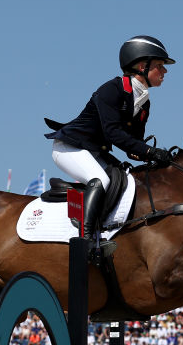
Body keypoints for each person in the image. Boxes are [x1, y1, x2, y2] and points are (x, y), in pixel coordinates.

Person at [45, 35, 176, 251]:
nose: (165, 72)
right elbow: (114, 134)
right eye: (160, 66)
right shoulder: (112, 90)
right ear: (142, 66)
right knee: (100, 181)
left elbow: (133, 144)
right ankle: (85, 242)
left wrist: (150, 155)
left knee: (127, 179)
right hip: (69, 147)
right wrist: (150, 151)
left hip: (94, 151)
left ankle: (107, 230)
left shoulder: (144, 104)